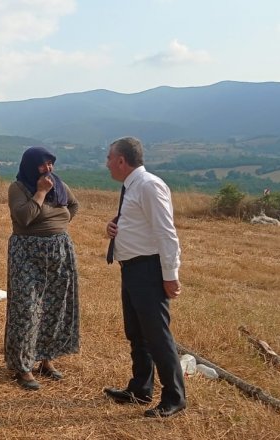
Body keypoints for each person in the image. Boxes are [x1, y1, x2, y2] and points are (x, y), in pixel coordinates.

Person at [102, 136, 186, 417]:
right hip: (132, 269)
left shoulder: (149, 185)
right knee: (137, 334)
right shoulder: (132, 186)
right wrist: (115, 228)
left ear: (122, 161)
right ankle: (140, 389)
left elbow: (166, 232)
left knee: (157, 335)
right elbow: (141, 224)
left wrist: (170, 275)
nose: (107, 163)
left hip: (148, 270)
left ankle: (174, 398)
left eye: (109, 158)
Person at [4, 146, 80, 391]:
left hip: (59, 251)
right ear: (30, 166)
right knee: (26, 309)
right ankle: (22, 368)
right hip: (27, 253)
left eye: (50, 164)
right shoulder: (18, 188)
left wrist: (59, 222)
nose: (48, 169)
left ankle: (47, 361)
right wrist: (40, 193)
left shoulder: (58, 184)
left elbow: (74, 205)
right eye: (42, 164)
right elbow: (23, 217)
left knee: (54, 307)